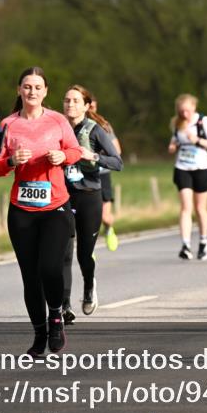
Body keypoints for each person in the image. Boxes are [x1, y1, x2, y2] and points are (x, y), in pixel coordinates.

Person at [0, 68, 81, 355]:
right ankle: (39, 335)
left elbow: (76, 151)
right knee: (30, 276)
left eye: (37, 87)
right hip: (22, 210)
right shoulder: (8, 124)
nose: (32, 92)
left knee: (50, 268)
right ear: (19, 90)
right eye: (27, 87)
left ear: (45, 92)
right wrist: (12, 161)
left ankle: (56, 317)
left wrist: (63, 156)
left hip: (55, 206)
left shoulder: (58, 120)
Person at [61, 86, 122, 320]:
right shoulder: (56, 127)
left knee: (84, 254)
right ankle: (64, 306)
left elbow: (118, 162)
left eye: (76, 101)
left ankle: (88, 285)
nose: (70, 105)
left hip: (89, 195)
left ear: (86, 106)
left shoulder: (95, 130)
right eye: (67, 100)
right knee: (63, 253)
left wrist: (93, 156)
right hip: (63, 196)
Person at [168, 94, 207, 260]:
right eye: (181, 111)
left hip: (201, 168)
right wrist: (173, 145)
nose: (185, 114)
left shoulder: (203, 121)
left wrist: (197, 140)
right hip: (182, 167)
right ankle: (185, 245)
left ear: (194, 108)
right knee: (185, 207)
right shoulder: (177, 122)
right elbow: (175, 138)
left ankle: (204, 241)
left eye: (187, 111)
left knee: (200, 208)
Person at [89, 94, 123, 252]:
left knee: (104, 216)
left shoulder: (103, 125)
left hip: (102, 174)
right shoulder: (73, 124)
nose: (90, 109)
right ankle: (89, 251)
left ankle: (109, 229)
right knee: (86, 217)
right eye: (88, 105)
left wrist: (99, 150)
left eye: (93, 106)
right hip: (83, 175)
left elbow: (117, 151)